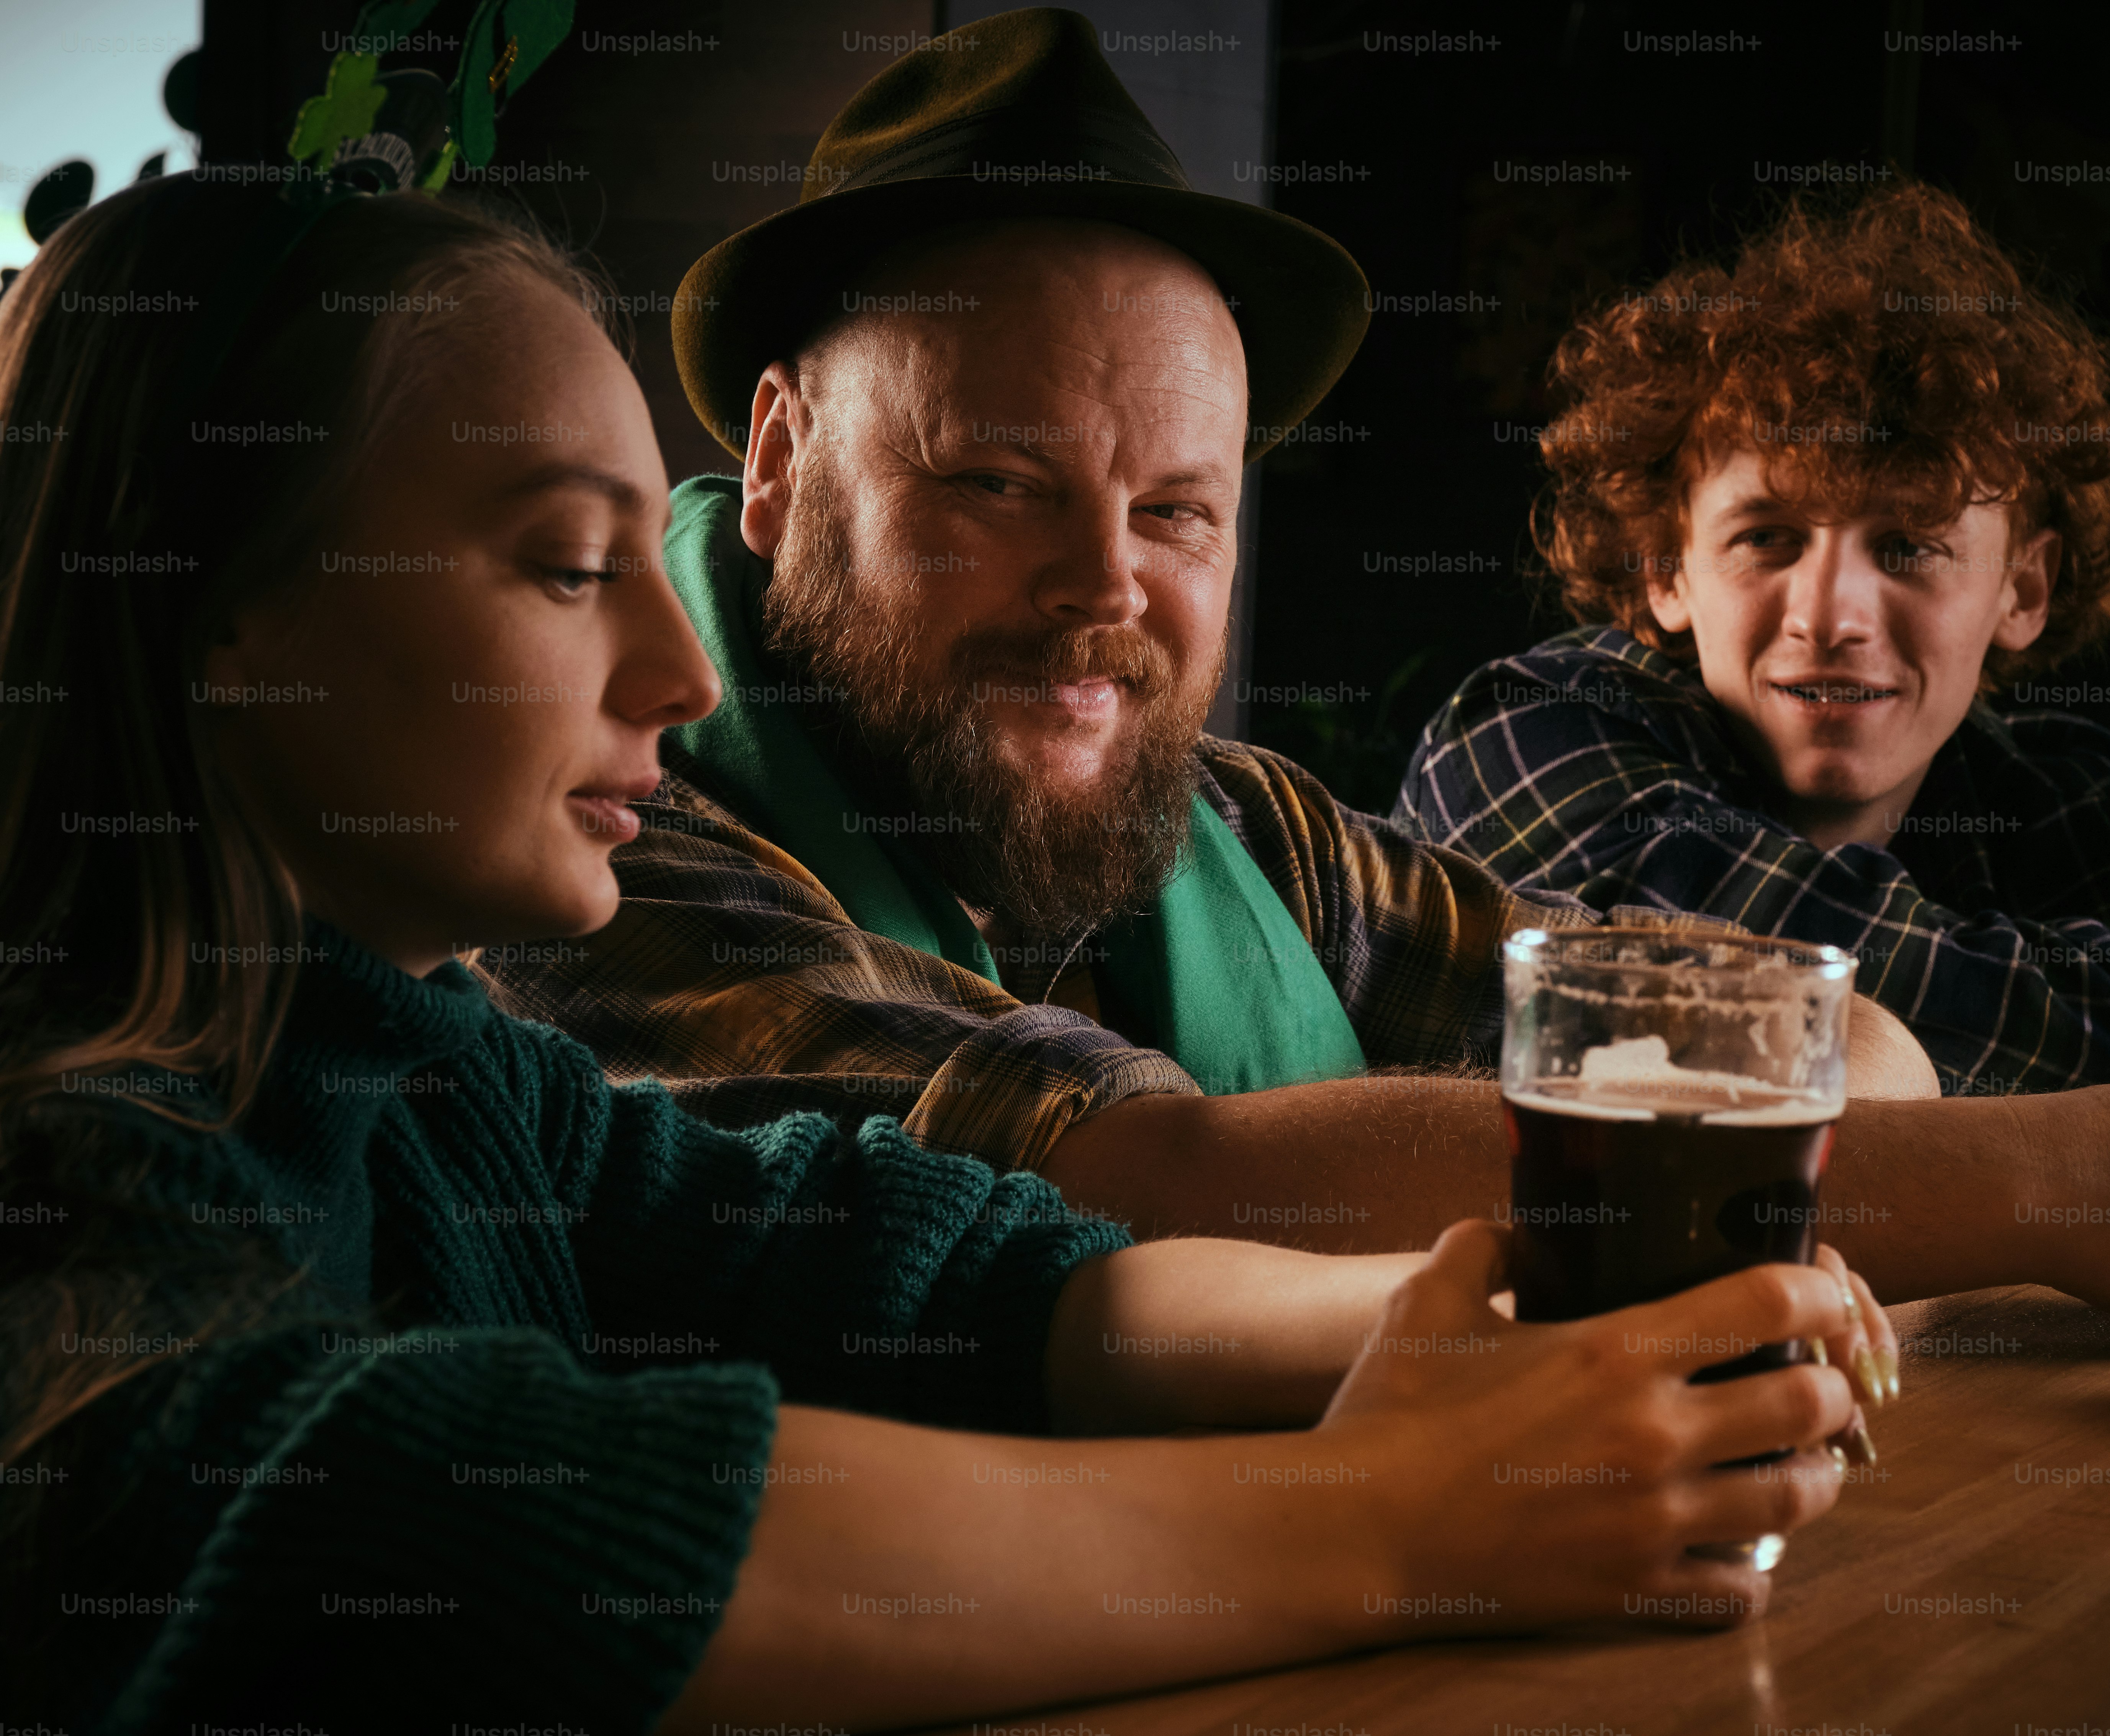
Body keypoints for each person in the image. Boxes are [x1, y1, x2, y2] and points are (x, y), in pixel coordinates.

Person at [0, 167, 1893, 1728]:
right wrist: (1387, 1511)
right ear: (214, 608)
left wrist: (1431, 1321)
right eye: (572, 567)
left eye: (1174, 508)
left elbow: (869, 1255)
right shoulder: (60, 1153)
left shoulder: (420, 1073)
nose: (671, 668)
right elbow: (435, 1511)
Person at [480, 11, 2110, 1330]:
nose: (1106, 587)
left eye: (1180, 511)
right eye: (996, 484)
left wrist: (1875, 1127)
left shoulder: (1241, 822)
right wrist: (2058, 1182)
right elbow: (1131, 1179)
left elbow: (1766, 1032)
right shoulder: (586, 842)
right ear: (776, 463)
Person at [1398, 182, 2110, 1098]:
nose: (1829, 618)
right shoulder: (1525, 738)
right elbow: (1887, 1010)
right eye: (1766, 537)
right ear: (1665, 570)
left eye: (1906, 546)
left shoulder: (2040, 794)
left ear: (2023, 589)